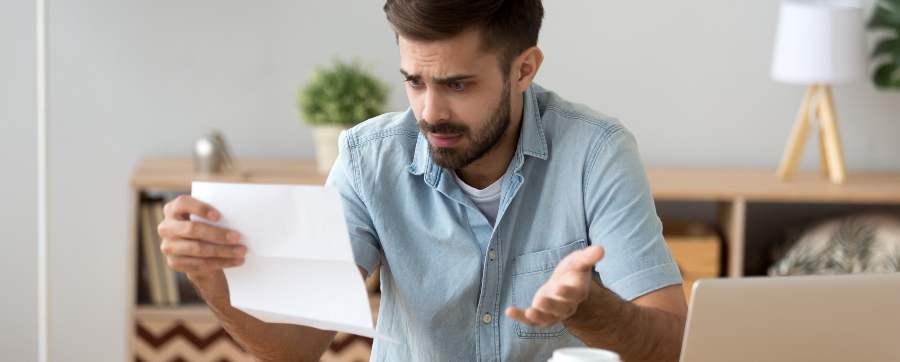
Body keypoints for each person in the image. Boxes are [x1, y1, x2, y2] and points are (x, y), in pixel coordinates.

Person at [156, 1, 687, 361]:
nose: (430, 113)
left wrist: (597, 313)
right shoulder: (368, 162)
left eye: (458, 84)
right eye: (414, 81)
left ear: (524, 69)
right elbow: (297, 348)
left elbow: (673, 344)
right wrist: (210, 278)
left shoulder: (596, 154)